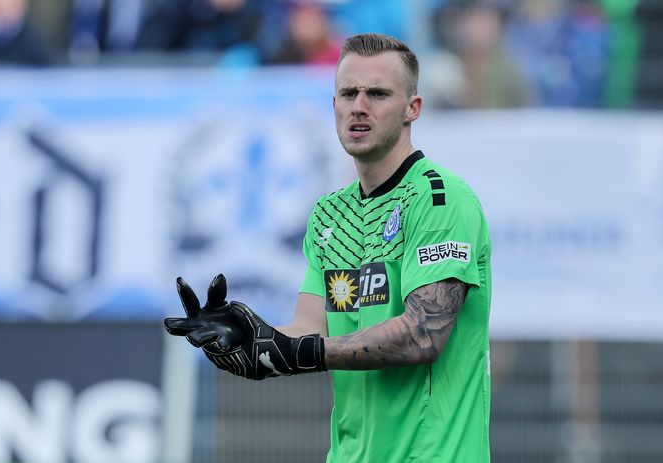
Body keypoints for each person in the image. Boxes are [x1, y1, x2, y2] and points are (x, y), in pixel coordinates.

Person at [165, 33, 492, 462]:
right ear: (333, 105)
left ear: (413, 108)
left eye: (377, 94)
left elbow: (422, 335)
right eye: (347, 93)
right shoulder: (329, 214)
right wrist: (251, 342)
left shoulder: (441, 200)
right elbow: (308, 330)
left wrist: (305, 353)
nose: (359, 105)